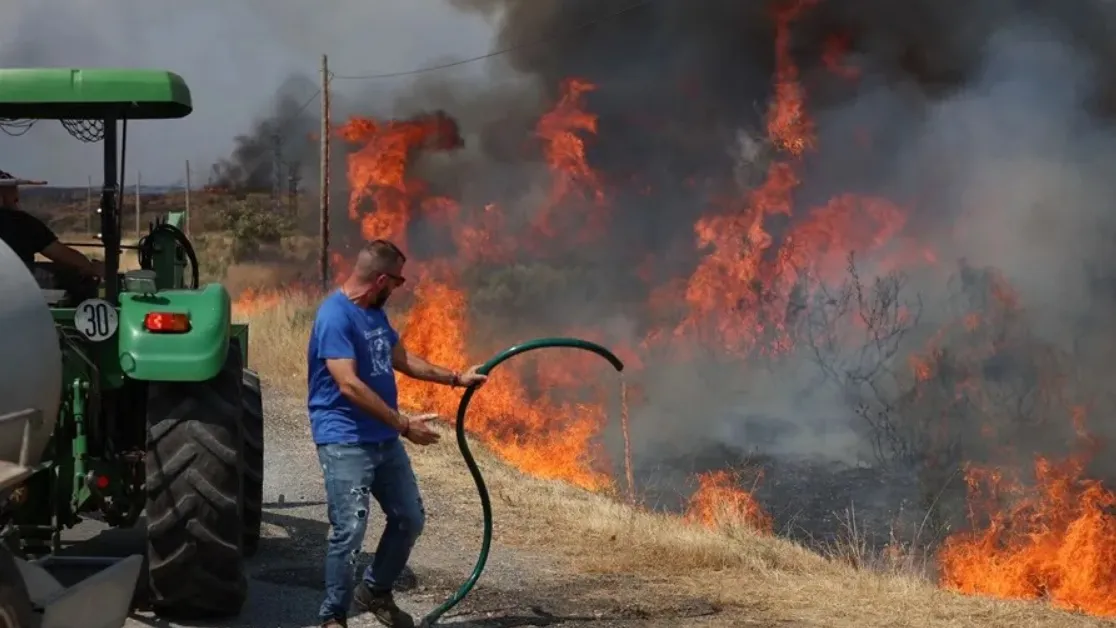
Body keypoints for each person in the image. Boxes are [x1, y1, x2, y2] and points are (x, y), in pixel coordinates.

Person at [307, 238, 488, 628]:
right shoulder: (335, 316)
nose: (398, 289)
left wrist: (457, 378)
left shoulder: (373, 314)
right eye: (397, 282)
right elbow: (348, 385)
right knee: (350, 529)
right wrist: (404, 425)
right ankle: (332, 617)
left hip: (383, 439)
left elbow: (401, 358)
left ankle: (374, 590)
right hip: (344, 438)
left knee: (409, 518)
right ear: (381, 279)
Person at [0, 169, 103, 279]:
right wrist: (91, 267)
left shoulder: (21, 222)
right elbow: (62, 255)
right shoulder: (21, 223)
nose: (17, 196)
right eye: (12, 191)